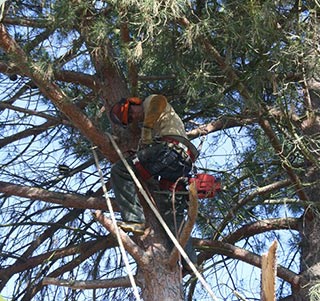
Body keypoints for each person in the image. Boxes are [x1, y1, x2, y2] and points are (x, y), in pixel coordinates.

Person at [109, 94, 199, 264]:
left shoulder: (150, 101)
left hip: (170, 151)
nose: (133, 117)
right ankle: (189, 261)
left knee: (121, 170)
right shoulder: (152, 123)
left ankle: (134, 219)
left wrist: (147, 130)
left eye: (130, 112)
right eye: (129, 119)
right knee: (170, 212)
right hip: (181, 162)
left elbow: (159, 101)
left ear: (133, 101)